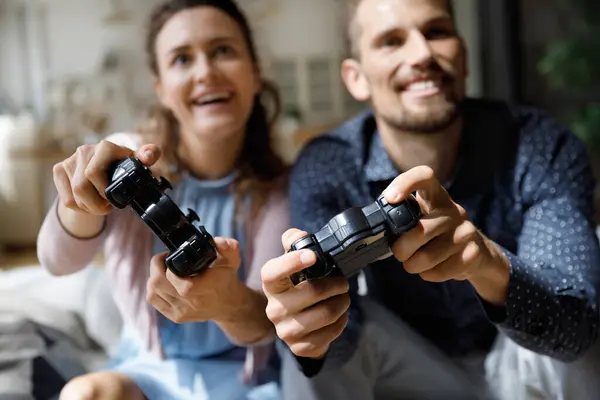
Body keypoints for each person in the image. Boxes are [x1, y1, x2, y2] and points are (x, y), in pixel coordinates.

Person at [260, 0, 600, 399]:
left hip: (520, 361)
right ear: (356, 79)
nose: (422, 54)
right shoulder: (327, 164)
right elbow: (340, 347)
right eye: (391, 41)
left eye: (437, 32)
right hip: (414, 369)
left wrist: (484, 261)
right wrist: (307, 332)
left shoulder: (541, 146)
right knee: (309, 342)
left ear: (463, 55)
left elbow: (578, 333)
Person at [36, 0, 290, 399]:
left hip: (242, 376)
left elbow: (266, 323)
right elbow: (56, 262)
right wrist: (80, 202)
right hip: (147, 367)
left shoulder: (280, 190)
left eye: (223, 50)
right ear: (161, 89)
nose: (205, 72)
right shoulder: (125, 157)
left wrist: (222, 302)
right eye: (181, 59)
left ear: (256, 74)